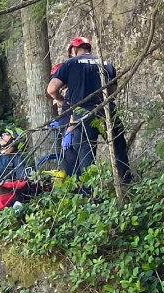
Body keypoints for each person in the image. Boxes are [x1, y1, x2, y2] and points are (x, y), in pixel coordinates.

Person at [47, 37, 131, 183]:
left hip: (83, 113)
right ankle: (126, 183)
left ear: (73, 50)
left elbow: (52, 89)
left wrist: (61, 99)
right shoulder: (106, 63)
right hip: (107, 110)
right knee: (119, 148)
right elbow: (112, 90)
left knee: (86, 153)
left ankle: (90, 194)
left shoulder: (70, 64)